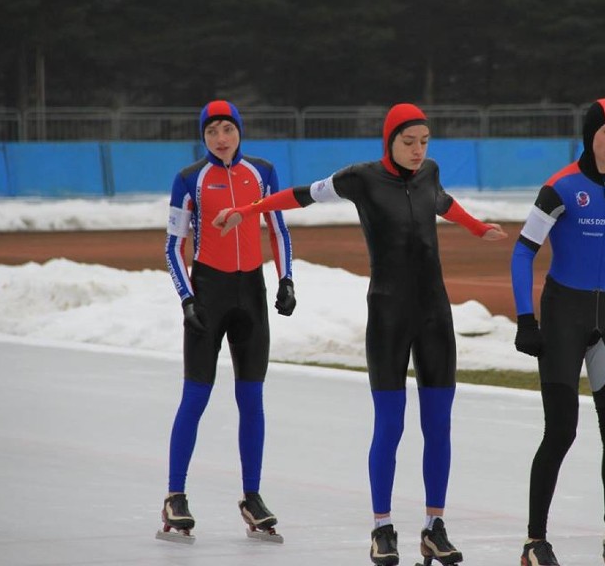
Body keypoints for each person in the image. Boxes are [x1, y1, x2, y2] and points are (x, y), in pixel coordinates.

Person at [213, 103, 507, 565]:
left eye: (424, 141)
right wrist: (247, 210)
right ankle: (382, 528)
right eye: (408, 141)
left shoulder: (429, 172)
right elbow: (300, 195)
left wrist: (476, 228)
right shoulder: (360, 178)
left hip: (435, 313)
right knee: (389, 425)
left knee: (439, 425)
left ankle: (434, 526)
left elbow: (443, 201)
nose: (418, 150)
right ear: (389, 140)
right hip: (389, 314)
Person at [510, 98, 605, 566]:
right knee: (560, 431)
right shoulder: (560, 188)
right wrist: (525, 320)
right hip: (564, 315)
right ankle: (534, 542)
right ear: (590, 135)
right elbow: (523, 253)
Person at [157, 99, 296, 542]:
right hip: (209, 296)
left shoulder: (262, 172)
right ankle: (175, 496)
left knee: (251, 400)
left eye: (228, 129)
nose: (221, 138)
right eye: (213, 130)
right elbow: (173, 245)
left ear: (240, 132)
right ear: (204, 136)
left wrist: (286, 280)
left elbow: (278, 230)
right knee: (195, 398)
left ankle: (251, 497)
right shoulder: (189, 179)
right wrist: (187, 299)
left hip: (250, 295)